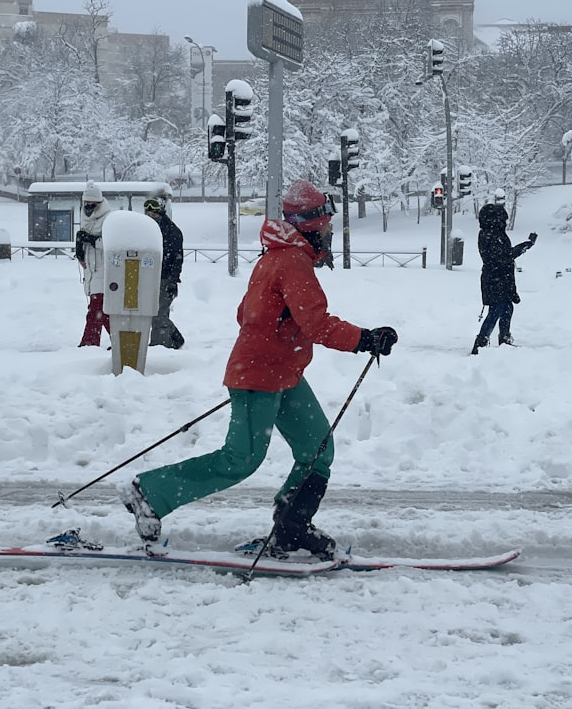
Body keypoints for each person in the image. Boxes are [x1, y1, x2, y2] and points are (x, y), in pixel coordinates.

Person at [120, 179, 398, 560]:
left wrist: (280, 331)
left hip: (283, 374)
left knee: (317, 448)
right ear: (310, 225)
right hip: (259, 375)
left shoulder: (278, 258)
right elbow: (316, 324)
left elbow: (247, 314)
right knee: (241, 460)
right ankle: (149, 494)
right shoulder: (290, 262)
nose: (330, 232)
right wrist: (366, 338)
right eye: (327, 225)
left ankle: (291, 526)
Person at [471, 202, 536, 355]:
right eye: (503, 220)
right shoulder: (488, 235)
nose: (505, 223)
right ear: (495, 220)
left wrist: (520, 248)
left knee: (507, 308)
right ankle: (480, 343)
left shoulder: (495, 234)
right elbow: (499, 257)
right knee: (497, 310)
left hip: (501, 278)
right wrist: (519, 249)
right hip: (494, 279)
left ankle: (504, 339)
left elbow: (504, 255)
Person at [143, 196, 185, 349]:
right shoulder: (146, 230)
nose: (150, 217)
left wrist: (173, 280)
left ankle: (159, 346)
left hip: (165, 278)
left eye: (154, 214)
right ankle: (175, 337)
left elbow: (178, 258)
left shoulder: (172, 231)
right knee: (151, 313)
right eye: (147, 214)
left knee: (159, 314)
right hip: (149, 277)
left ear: (161, 213)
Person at [75, 182, 113, 347]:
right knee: (103, 311)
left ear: (99, 202)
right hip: (90, 268)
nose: (89, 206)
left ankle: (89, 343)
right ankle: (120, 339)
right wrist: (79, 247)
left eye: (92, 203)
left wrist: (92, 240)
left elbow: (112, 242)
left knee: (96, 309)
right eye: (86, 203)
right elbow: (83, 236)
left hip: (105, 269)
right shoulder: (84, 215)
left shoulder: (109, 218)